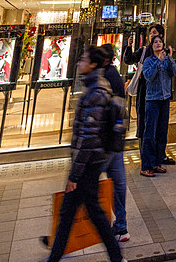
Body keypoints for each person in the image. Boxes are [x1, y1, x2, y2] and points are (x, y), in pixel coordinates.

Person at [45, 45, 122, 262]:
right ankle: (114, 256)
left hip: (88, 164)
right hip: (91, 161)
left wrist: (74, 175)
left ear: (94, 65)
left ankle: (56, 256)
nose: (79, 63)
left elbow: (88, 138)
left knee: (81, 214)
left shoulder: (95, 92)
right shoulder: (96, 88)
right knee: (79, 214)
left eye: (84, 59)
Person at [123, 24, 175, 164]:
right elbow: (129, 60)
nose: (153, 36)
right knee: (146, 126)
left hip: (162, 96)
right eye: (151, 34)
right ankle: (146, 158)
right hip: (146, 93)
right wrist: (129, 46)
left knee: (161, 126)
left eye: (155, 34)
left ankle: (159, 156)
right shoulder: (145, 51)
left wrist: (168, 59)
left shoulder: (165, 54)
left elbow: (173, 72)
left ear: (161, 36)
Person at [99, 44, 129, 245]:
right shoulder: (114, 75)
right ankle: (121, 225)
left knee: (83, 187)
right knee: (118, 183)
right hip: (115, 141)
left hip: (104, 144)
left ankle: (68, 231)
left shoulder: (104, 79)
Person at [140, 35, 176, 177]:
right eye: (155, 42)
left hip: (165, 99)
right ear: (152, 45)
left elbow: (174, 72)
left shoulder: (166, 60)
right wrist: (158, 61)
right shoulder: (149, 61)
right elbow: (148, 76)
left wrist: (170, 58)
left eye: (160, 42)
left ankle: (157, 163)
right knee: (150, 133)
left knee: (162, 132)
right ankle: (146, 166)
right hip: (152, 100)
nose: (158, 44)